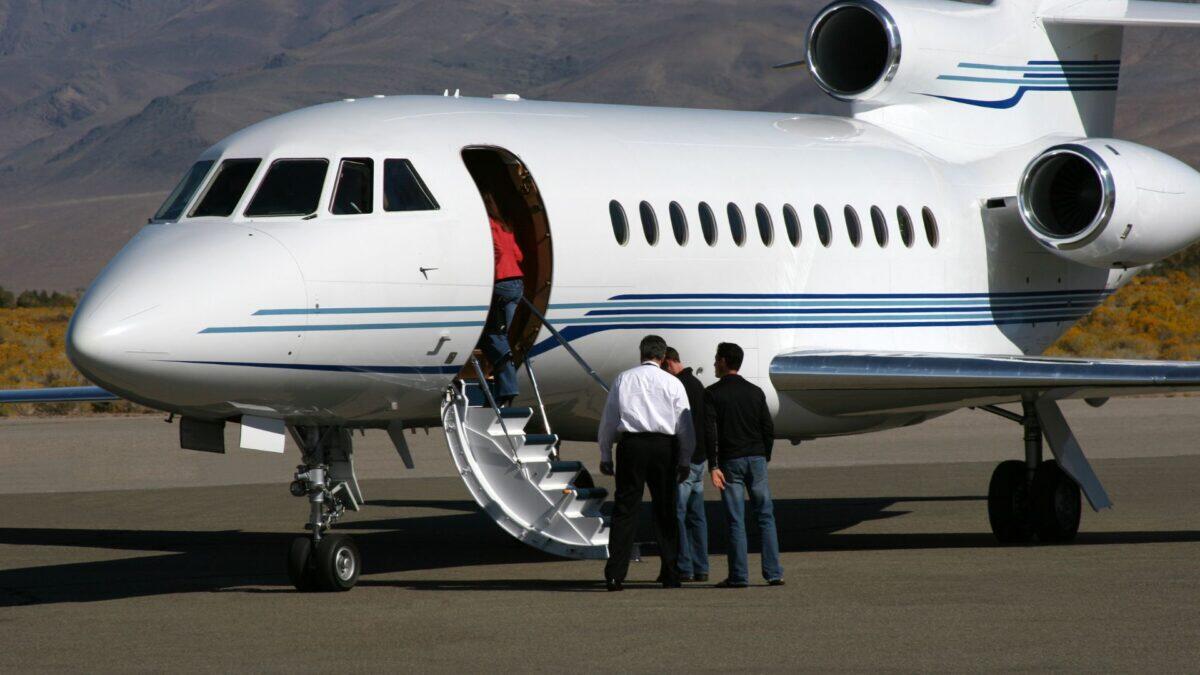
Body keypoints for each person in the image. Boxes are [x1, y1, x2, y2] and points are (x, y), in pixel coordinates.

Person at [598, 335, 695, 592]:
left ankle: (615, 575)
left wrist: (605, 454)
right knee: (665, 510)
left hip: (632, 446)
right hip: (664, 447)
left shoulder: (623, 378)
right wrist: (684, 459)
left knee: (625, 510)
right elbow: (684, 426)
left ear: (641, 353)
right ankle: (671, 573)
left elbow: (609, 420)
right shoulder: (672, 383)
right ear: (662, 357)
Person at [704, 342, 784, 588]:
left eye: (717, 359)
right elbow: (767, 428)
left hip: (731, 462)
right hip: (756, 458)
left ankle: (739, 575)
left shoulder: (713, 393)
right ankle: (773, 572)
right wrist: (764, 455)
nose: (714, 363)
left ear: (725, 361)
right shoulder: (755, 391)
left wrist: (713, 465)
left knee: (735, 519)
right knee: (765, 516)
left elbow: (710, 432)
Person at [661, 347, 710, 582]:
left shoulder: (677, 387)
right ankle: (702, 566)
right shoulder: (697, 384)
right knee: (697, 517)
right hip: (700, 458)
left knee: (677, 514)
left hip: (685, 459)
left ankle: (684, 566)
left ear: (669, 363)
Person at [481, 191, 524, 406]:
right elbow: (519, 256)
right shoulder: (505, 225)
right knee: (506, 335)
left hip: (501, 283)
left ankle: (506, 387)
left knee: (493, 336)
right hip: (517, 283)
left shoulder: (487, 224)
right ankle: (503, 386)